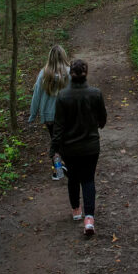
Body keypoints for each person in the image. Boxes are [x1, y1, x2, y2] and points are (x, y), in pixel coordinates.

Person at [52, 59, 106, 237]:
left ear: (70, 75)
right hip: (91, 146)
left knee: (73, 178)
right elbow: (102, 120)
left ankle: (76, 210)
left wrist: (54, 149)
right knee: (88, 180)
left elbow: (58, 126)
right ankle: (89, 219)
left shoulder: (62, 96)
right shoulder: (95, 94)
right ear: (86, 74)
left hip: (70, 148)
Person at [28, 45, 70, 180]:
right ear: (63, 56)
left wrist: (32, 115)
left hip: (49, 115)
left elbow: (36, 96)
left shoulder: (44, 74)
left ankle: (58, 172)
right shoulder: (70, 73)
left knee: (55, 142)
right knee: (67, 140)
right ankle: (70, 166)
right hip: (67, 114)